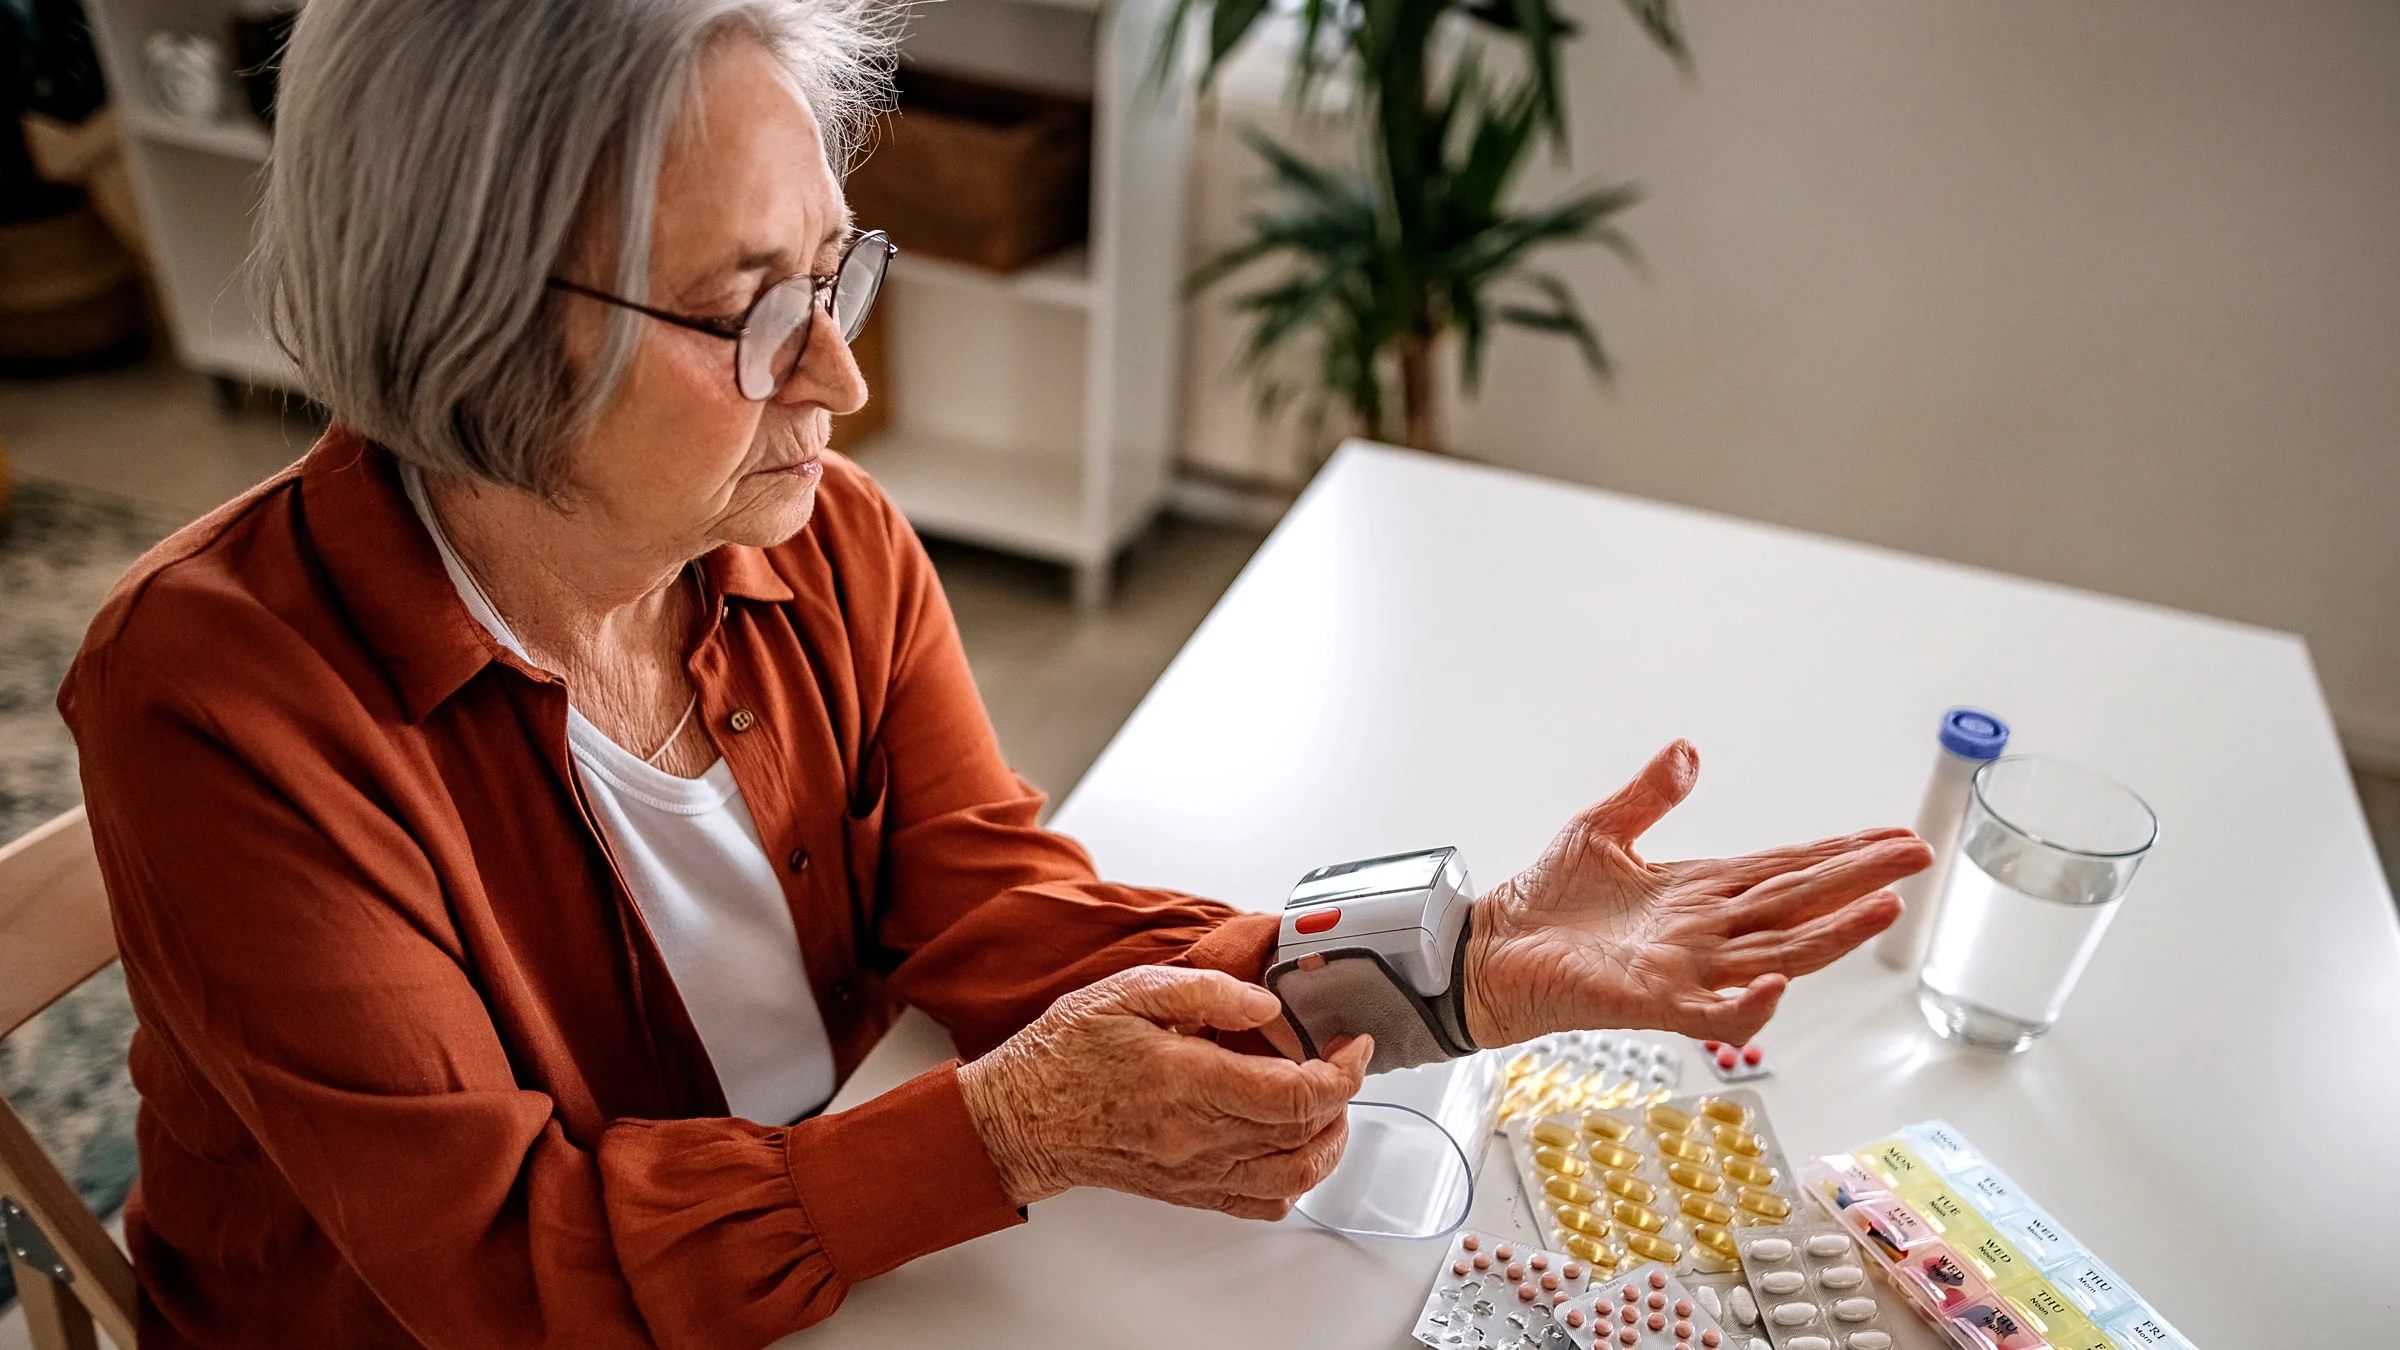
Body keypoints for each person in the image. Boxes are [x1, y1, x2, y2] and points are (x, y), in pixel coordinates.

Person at [59, 1, 1933, 1346]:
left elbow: (990, 903)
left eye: (835, 274)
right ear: (466, 318)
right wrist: (999, 1131)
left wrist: (1451, 963)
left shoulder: (822, 542)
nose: (842, 380)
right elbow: (501, 1269)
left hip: (830, 1247)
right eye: (749, 316)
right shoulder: (209, 703)